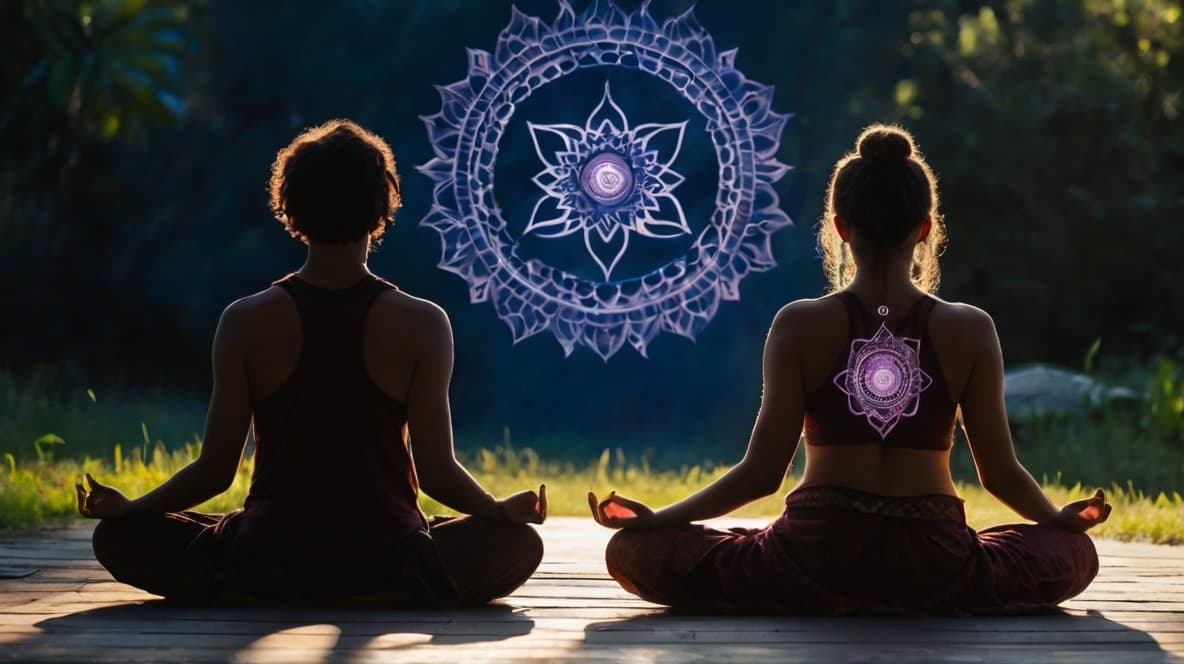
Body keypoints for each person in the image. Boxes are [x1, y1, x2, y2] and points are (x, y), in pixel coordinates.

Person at [588, 124, 1108, 615]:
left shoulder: (799, 324)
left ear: (840, 227)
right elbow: (1000, 475)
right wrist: (1058, 520)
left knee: (633, 551)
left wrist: (659, 520)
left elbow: (761, 474)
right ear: (924, 229)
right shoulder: (970, 329)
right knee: (1074, 552)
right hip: (934, 562)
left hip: (814, 555)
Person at [75, 119, 546, 607]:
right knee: (518, 544)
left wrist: (133, 508)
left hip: (264, 557)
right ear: (380, 207)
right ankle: (380, 590)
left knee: (117, 536)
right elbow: (438, 473)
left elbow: (215, 471)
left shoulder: (244, 320)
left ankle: (259, 586)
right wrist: (495, 510)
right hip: (389, 556)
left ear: (291, 206)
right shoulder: (424, 323)